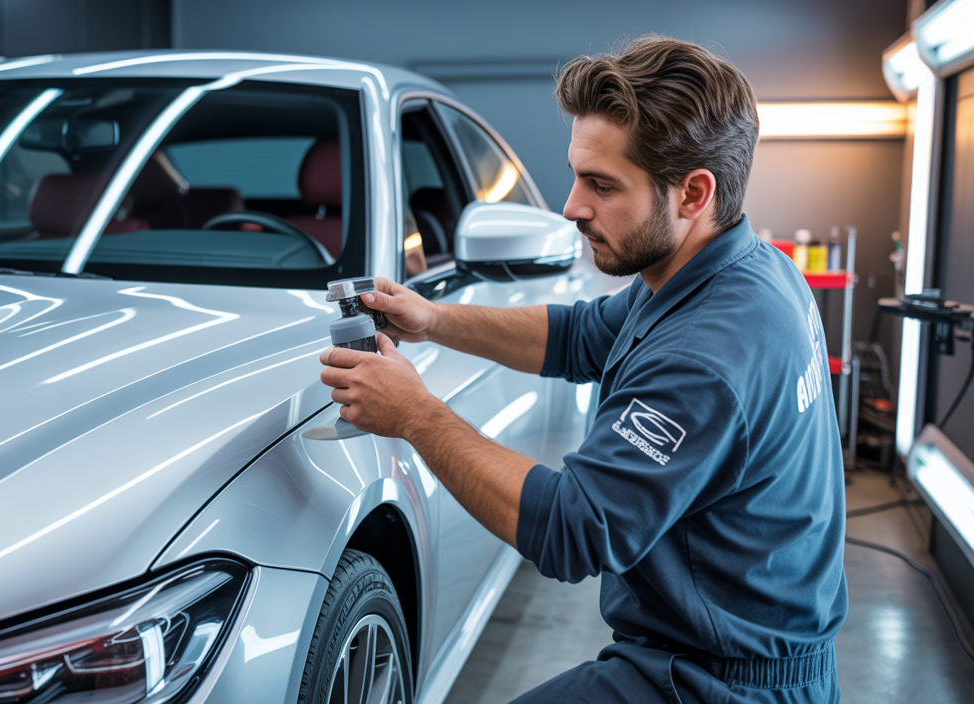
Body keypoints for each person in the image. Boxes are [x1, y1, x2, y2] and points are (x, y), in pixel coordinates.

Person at [318, 36, 846, 703]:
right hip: (726, 652)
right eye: (577, 175)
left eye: (601, 185)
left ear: (693, 193)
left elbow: (574, 528)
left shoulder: (708, 351)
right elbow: (581, 334)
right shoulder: (739, 269)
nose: (570, 207)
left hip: (719, 682)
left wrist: (415, 415)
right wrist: (434, 321)